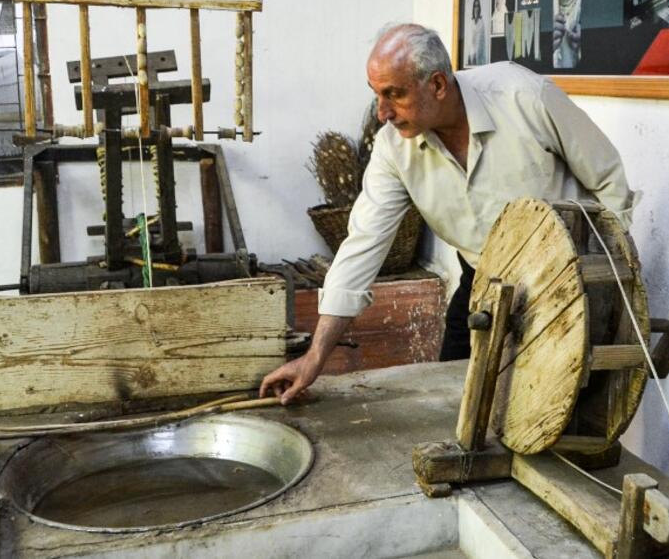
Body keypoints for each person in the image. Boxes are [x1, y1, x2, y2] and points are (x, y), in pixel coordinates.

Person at [260, 24, 638, 404]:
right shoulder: (394, 149)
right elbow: (362, 245)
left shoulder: (524, 97)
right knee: (454, 402)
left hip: (567, 276)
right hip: (483, 279)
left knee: (558, 407)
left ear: (438, 85)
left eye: (394, 94)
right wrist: (315, 358)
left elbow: (608, 182)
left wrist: (603, 281)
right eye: (377, 95)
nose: (382, 113)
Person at [466, 0, 488, 66]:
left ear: (479, 8)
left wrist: (476, 55)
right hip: (471, 55)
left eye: (478, 6)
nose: (476, 8)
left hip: (479, 57)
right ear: (473, 8)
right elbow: (469, 42)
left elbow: (481, 43)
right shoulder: (471, 22)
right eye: (475, 6)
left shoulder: (481, 23)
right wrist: (469, 56)